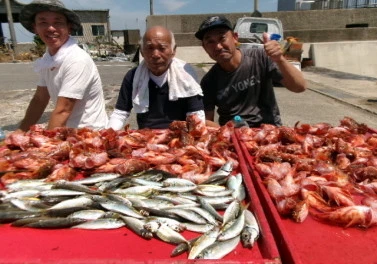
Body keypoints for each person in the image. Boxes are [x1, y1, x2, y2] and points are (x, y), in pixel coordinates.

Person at [195, 15, 307, 128]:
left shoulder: (260, 57)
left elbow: (299, 87)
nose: (218, 46)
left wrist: (280, 59)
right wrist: (225, 131)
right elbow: (206, 120)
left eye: (222, 38)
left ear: (235, 37)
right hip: (234, 137)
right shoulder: (209, 81)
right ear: (204, 47)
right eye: (210, 42)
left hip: (269, 132)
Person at [18, 0, 108, 131]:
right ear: (35, 28)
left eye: (58, 22)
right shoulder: (48, 58)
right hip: (66, 130)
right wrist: (20, 131)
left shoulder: (77, 59)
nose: (50, 28)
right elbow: (39, 99)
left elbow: (63, 110)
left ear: (69, 27)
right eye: (43, 22)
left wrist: (45, 146)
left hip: (89, 134)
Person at [108, 26, 204, 130]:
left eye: (162, 48)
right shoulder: (132, 77)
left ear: (173, 50)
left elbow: (196, 115)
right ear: (141, 52)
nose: (155, 55)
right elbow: (120, 113)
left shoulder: (186, 75)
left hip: (179, 136)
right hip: (146, 139)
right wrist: (108, 134)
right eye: (150, 48)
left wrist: (195, 136)